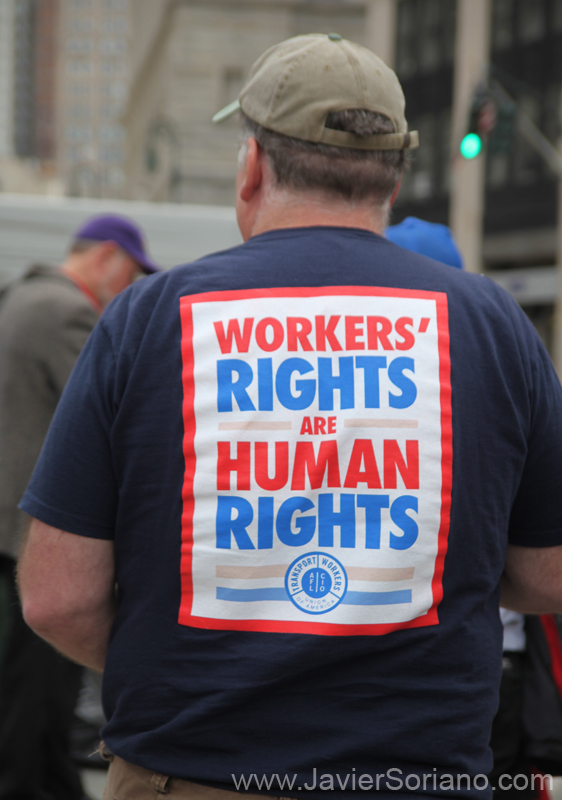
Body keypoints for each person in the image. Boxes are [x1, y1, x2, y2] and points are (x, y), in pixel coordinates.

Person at [15, 33, 562, 800]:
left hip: (193, 772)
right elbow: (548, 568)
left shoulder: (147, 319)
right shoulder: (492, 324)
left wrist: (195, 659)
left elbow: (56, 596)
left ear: (253, 167)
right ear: (391, 180)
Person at [0, 214, 159, 800]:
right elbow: (111, 419)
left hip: (10, 528)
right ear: (109, 258)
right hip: (33, 535)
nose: (128, 289)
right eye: (133, 275)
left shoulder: (21, 292)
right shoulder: (66, 312)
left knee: (28, 689)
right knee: (38, 693)